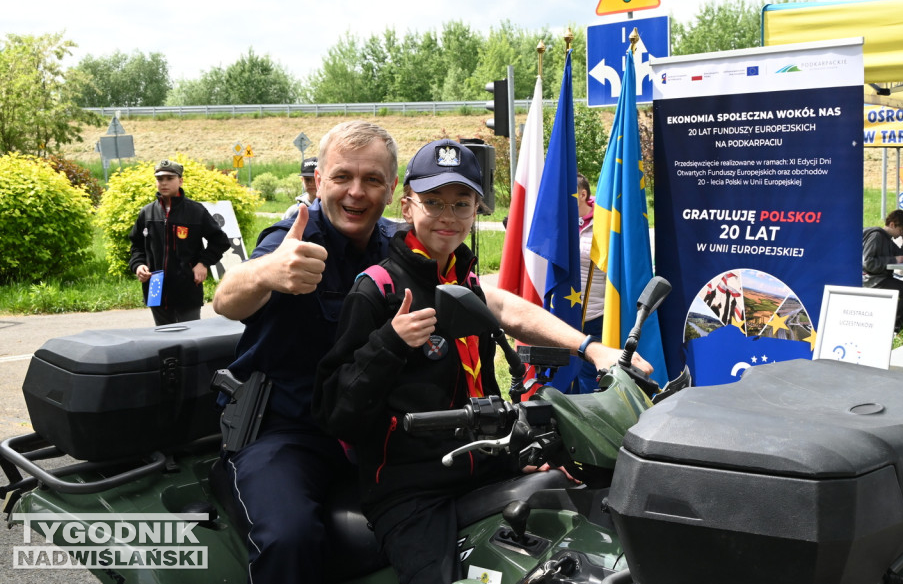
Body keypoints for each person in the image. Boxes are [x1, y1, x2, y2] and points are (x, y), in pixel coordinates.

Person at [212, 123, 650, 584]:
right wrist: (267, 272)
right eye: (342, 177)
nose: (356, 192)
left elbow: (492, 303)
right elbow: (226, 300)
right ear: (318, 180)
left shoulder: (403, 242)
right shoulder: (294, 240)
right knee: (289, 537)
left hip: (389, 431)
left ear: (392, 190)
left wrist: (589, 346)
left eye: (372, 180)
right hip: (292, 429)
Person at [313, 139, 521, 584]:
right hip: (409, 490)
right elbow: (335, 412)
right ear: (407, 207)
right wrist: (390, 342)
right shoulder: (378, 288)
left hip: (478, 468)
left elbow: (481, 386)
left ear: (476, 211)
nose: (447, 216)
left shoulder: (467, 283)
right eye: (433, 203)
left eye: (460, 204)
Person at [128, 159, 229, 326]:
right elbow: (136, 245)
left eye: (169, 178)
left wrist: (203, 263)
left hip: (187, 287)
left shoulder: (196, 211)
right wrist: (138, 265)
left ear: (180, 180)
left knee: (190, 338)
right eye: (160, 179)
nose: (164, 183)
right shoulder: (146, 213)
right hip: (155, 287)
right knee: (164, 338)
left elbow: (220, 241)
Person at [576, 173, 606, 394]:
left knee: (588, 374)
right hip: (564, 312)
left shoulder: (604, 222)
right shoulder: (560, 219)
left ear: (582, 194)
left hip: (595, 314)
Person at [862, 209, 903, 331]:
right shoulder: (876, 236)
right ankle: (895, 329)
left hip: (881, 278)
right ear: (892, 224)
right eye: (901, 230)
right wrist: (893, 260)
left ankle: (901, 324)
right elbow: (867, 263)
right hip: (872, 280)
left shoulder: (887, 239)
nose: (901, 233)